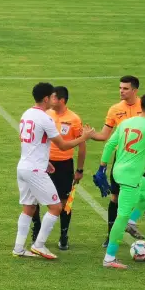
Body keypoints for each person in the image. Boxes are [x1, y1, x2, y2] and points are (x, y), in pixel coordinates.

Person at [13, 82, 93, 259]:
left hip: (24, 167)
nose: (53, 100)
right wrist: (83, 137)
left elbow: (34, 142)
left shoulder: (27, 114)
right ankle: (39, 245)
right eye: (52, 96)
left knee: (28, 208)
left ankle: (18, 248)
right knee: (56, 207)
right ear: (46, 98)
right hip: (35, 170)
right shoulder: (45, 118)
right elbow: (63, 146)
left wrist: (45, 161)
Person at [91, 76, 145, 247]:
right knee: (116, 199)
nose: (121, 91)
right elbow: (105, 137)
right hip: (123, 160)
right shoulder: (115, 109)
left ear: (135, 90)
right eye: (120, 88)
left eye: (125, 88)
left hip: (139, 162)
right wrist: (90, 135)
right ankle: (111, 240)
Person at [30, 86, 86, 250]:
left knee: (63, 202)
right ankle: (37, 229)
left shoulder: (74, 119)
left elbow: (81, 146)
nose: (49, 100)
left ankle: (63, 234)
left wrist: (80, 169)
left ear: (61, 100)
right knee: (34, 198)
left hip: (64, 166)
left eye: (53, 97)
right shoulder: (46, 115)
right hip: (44, 163)